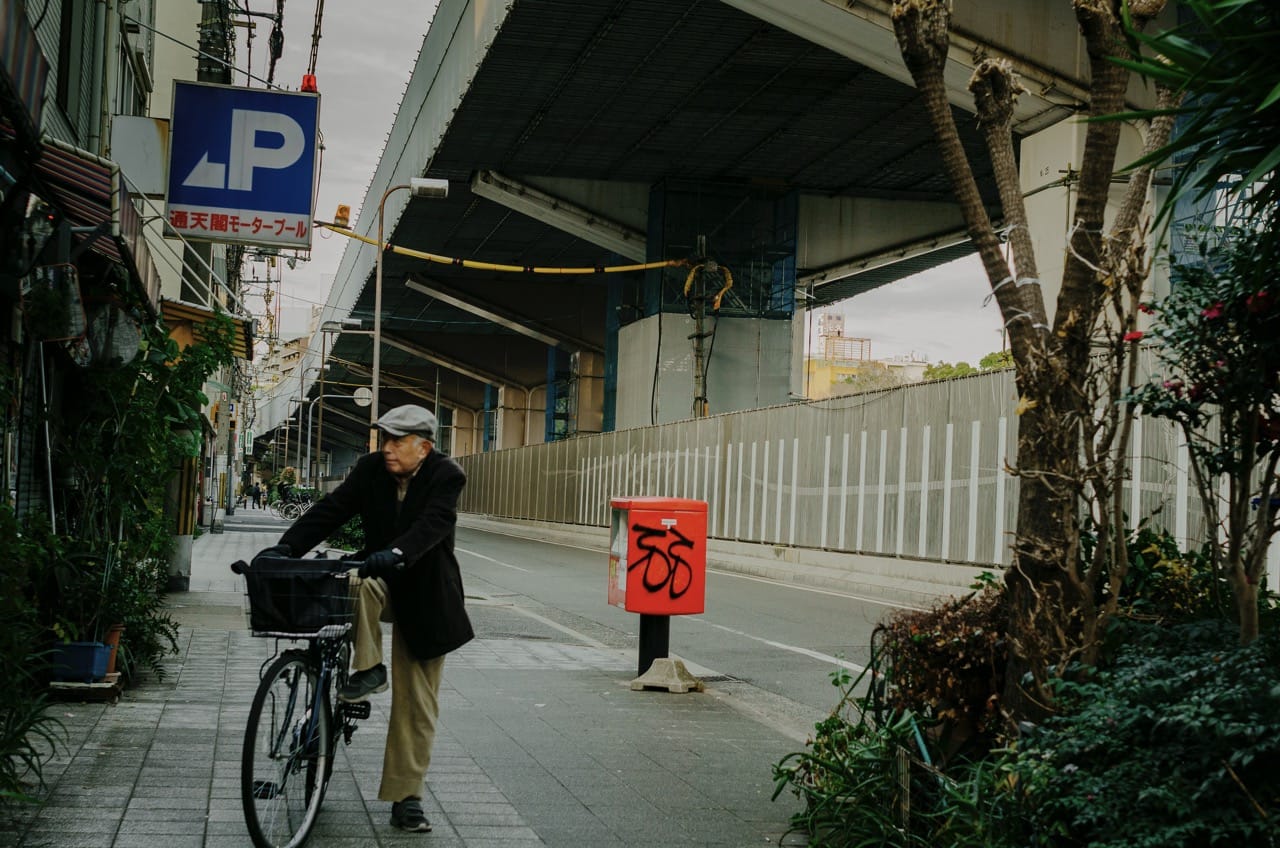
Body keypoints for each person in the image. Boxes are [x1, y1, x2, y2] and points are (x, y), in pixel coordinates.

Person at [252, 404, 472, 834]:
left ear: (423, 447)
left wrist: (396, 552)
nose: (386, 448)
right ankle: (367, 669)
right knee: (357, 582)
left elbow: (433, 525)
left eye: (396, 441)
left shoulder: (446, 475)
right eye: (384, 439)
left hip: (426, 594)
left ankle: (407, 798)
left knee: (417, 703)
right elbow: (331, 509)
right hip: (378, 579)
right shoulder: (371, 469)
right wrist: (286, 548)